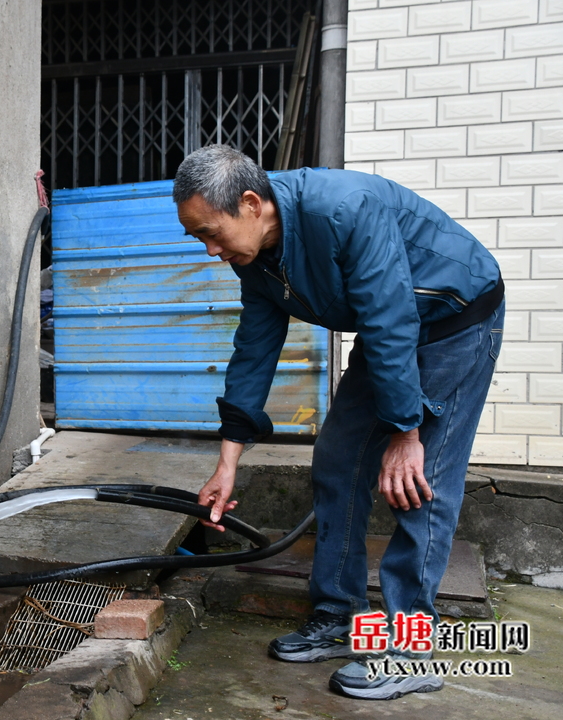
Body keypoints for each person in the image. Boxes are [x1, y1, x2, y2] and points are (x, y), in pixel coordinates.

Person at [173, 145, 504, 700]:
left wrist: (406, 433)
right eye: (197, 238)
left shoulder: (344, 209)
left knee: (420, 483)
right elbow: (254, 350)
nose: (210, 250)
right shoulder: (256, 257)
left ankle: (411, 651)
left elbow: (390, 316)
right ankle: (340, 615)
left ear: (251, 204)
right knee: (337, 461)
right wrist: (226, 463)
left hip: (455, 320)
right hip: (393, 333)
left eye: (212, 233)